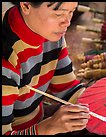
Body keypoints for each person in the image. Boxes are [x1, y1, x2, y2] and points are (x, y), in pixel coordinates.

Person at [2, 2, 93, 135]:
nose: (67, 22)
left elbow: (67, 88)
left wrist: (97, 103)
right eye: (59, 14)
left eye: (71, 11)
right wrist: (49, 127)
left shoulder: (48, 32)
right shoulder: (6, 61)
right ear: (26, 5)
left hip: (37, 122)